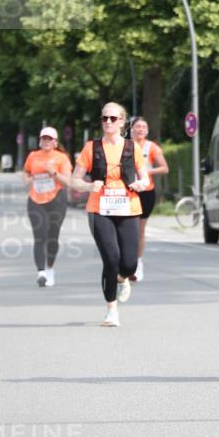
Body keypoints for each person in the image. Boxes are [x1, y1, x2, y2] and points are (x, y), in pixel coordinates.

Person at [71, 102, 149, 327]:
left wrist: (141, 184)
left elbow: (145, 177)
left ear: (122, 122)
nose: (107, 122)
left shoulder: (132, 147)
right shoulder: (91, 148)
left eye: (113, 118)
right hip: (100, 209)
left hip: (128, 208)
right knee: (111, 259)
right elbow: (75, 180)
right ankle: (111, 310)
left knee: (130, 264)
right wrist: (88, 186)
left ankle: (122, 279)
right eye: (104, 118)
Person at [22, 127, 72, 287]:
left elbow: (68, 182)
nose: (46, 141)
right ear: (40, 141)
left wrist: (54, 173)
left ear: (55, 142)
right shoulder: (33, 156)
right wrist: (27, 179)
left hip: (57, 200)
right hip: (35, 199)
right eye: (44, 138)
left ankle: (50, 269)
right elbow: (26, 172)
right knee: (40, 236)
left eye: (50, 139)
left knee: (52, 236)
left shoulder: (62, 158)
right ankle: (41, 272)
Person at [129, 117, 169, 281]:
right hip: (127, 192)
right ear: (131, 129)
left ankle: (138, 263)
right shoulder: (124, 146)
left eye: (143, 127)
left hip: (145, 192)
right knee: (126, 229)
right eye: (137, 126)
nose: (140, 129)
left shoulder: (151, 147)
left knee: (139, 230)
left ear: (147, 131)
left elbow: (164, 168)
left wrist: (146, 172)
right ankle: (126, 262)